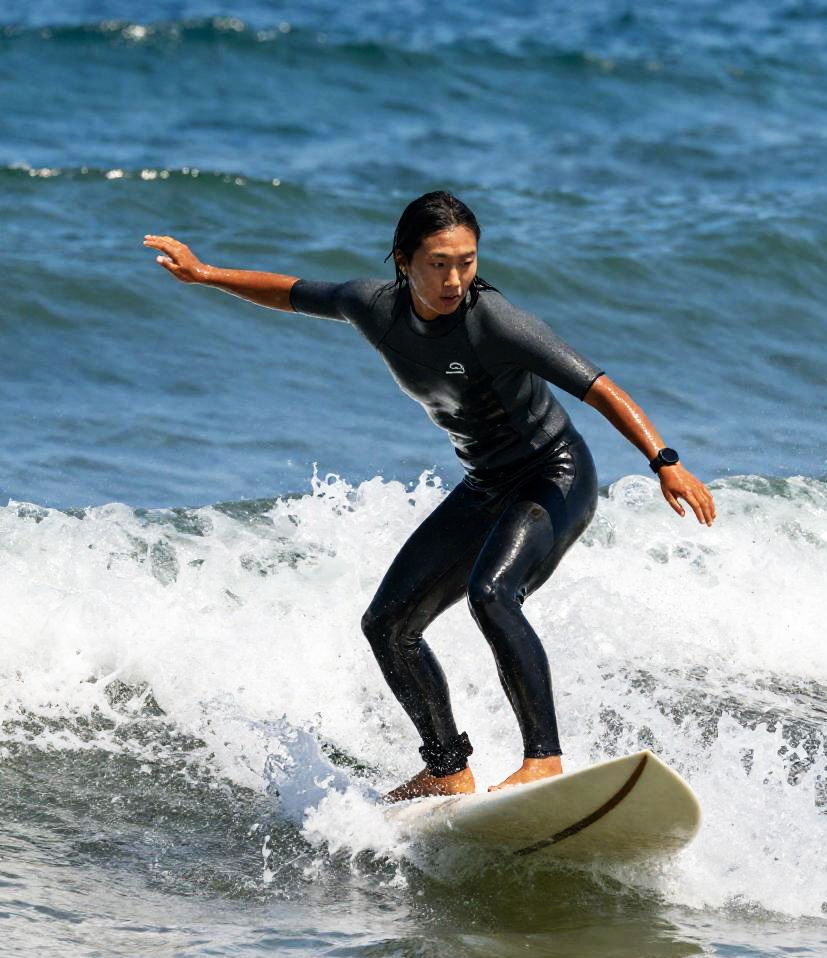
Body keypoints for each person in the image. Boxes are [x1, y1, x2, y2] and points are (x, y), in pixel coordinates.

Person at [143, 190, 716, 802]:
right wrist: (205, 274)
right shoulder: (372, 306)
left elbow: (598, 386)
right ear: (404, 261)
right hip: (486, 485)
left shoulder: (496, 323)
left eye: (466, 262)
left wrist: (665, 461)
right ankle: (447, 769)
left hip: (554, 476)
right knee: (387, 624)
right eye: (439, 264)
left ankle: (543, 761)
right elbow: (292, 292)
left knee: (492, 595)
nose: (454, 279)